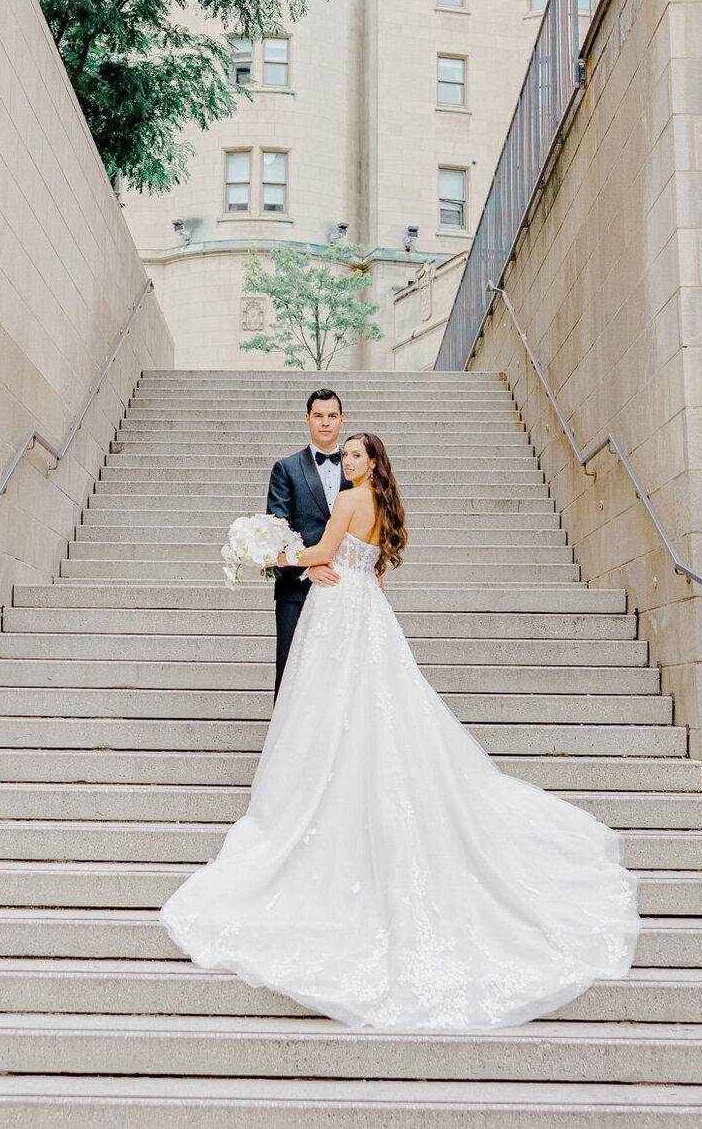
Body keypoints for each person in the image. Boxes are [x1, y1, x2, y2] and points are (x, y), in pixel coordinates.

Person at [161, 431, 640, 1031]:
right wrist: (344, 580)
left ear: (369, 463)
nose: (349, 462)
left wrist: (271, 555)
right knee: (367, 707)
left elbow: (322, 553)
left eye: (357, 456)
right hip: (367, 609)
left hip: (340, 613)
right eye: (349, 456)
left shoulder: (349, 500)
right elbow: (370, 572)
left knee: (336, 709)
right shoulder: (385, 504)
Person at [265, 387, 351, 697]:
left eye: (331, 416)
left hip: (346, 588)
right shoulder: (286, 469)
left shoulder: (358, 469)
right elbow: (275, 533)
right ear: (307, 419)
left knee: (341, 677)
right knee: (291, 674)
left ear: (342, 420)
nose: (325, 423)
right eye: (318, 416)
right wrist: (307, 569)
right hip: (296, 592)